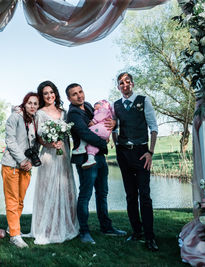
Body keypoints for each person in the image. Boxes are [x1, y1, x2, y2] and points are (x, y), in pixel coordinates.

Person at [66, 83, 126, 244]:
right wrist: (104, 143)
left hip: (99, 157)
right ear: (69, 98)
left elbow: (104, 118)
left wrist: (114, 123)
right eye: (74, 94)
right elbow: (84, 132)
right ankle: (84, 232)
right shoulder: (73, 114)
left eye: (80, 91)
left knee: (102, 193)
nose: (79, 96)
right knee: (85, 195)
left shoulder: (88, 106)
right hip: (85, 158)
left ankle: (106, 227)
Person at [29, 80, 79, 245]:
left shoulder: (64, 113)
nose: (49, 96)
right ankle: (47, 228)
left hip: (63, 155)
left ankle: (65, 224)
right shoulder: (40, 113)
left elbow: (69, 135)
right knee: (48, 190)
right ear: (42, 96)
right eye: (45, 93)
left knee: (65, 189)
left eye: (51, 92)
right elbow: (39, 138)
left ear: (55, 93)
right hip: (49, 156)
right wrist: (51, 144)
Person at [112, 72, 159, 252]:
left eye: (127, 82)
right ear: (118, 87)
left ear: (132, 84)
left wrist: (150, 152)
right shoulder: (116, 105)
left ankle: (149, 236)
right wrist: (117, 146)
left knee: (144, 196)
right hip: (123, 154)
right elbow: (114, 128)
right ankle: (137, 231)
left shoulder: (143, 101)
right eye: (121, 83)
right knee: (130, 196)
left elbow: (153, 128)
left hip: (141, 153)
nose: (125, 85)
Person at [0, 92, 39, 248]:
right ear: (24, 103)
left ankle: (11, 227)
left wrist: (30, 161)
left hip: (26, 166)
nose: (32, 106)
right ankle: (15, 235)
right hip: (11, 164)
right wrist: (21, 160)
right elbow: (10, 141)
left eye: (35, 103)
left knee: (20, 200)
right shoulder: (14, 118)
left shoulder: (35, 120)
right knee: (12, 200)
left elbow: (35, 144)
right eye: (30, 103)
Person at [72, 100, 114, 169]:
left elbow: (101, 115)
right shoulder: (99, 111)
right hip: (103, 131)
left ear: (101, 104)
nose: (94, 107)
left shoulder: (104, 109)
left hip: (102, 128)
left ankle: (81, 147)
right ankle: (91, 159)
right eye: (94, 106)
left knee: (87, 132)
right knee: (92, 145)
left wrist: (93, 121)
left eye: (95, 105)